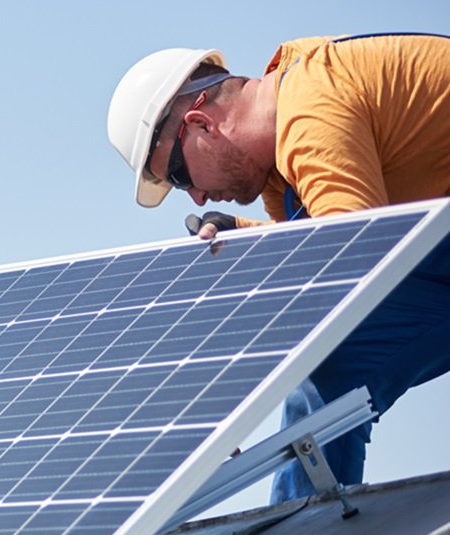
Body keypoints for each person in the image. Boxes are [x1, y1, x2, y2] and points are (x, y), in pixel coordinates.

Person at [107, 34, 450, 502]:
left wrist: (221, 392)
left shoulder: (310, 106)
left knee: (326, 348)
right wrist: (245, 242)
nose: (198, 198)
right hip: (434, 246)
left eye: (182, 177)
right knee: (331, 374)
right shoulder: (281, 172)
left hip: (423, 247)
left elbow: (352, 260)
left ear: (201, 122)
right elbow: (317, 251)